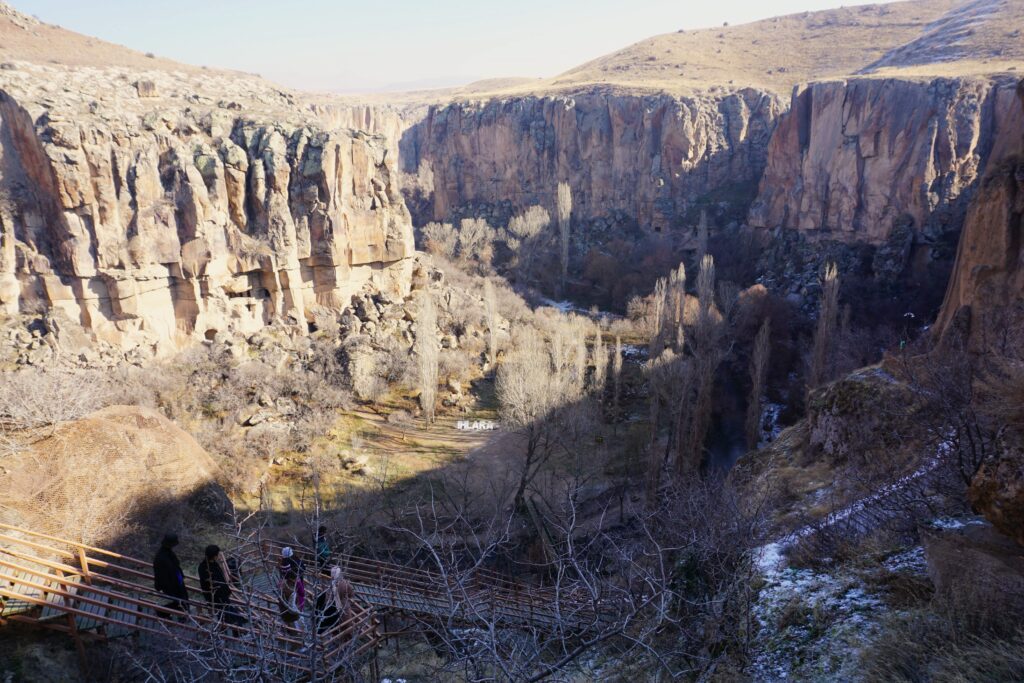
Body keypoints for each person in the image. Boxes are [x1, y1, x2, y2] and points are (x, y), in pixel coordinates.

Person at [198, 545, 245, 627]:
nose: (219, 556)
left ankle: (239, 623)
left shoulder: (212, 564)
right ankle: (235, 630)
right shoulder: (205, 568)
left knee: (229, 612)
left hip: (222, 595)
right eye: (218, 555)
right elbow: (214, 583)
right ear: (214, 556)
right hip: (217, 596)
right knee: (225, 614)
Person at [152, 533, 189, 618]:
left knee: (183, 600)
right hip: (171, 584)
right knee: (180, 601)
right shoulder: (161, 557)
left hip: (176, 580)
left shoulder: (167, 553)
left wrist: (180, 578)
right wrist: (161, 586)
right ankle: (162, 612)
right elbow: (160, 574)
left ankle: (182, 616)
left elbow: (175, 567)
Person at [316, 565, 354, 634]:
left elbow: (327, 595)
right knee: (346, 623)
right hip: (344, 606)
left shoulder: (331, 584)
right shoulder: (345, 583)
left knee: (331, 623)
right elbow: (351, 594)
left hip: (332, 606)